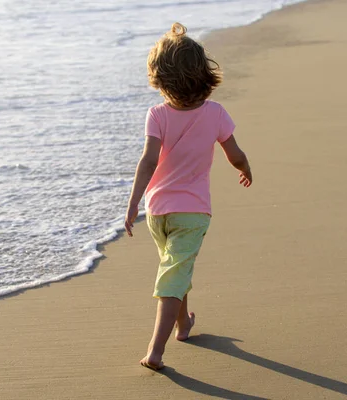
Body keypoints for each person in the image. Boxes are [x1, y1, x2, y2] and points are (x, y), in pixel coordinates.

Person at [124, 22, 253, 371]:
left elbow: (148, 160)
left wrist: (134, 201)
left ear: (160, 78)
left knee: (174, 268)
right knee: (173, 275)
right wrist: (245, 169)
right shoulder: (216, 114)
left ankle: (183, 325)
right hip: (193, 212)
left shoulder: (157, 115)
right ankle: (155, 351)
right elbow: (234, 153)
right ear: (203, 74)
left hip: (157, 211)